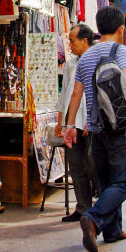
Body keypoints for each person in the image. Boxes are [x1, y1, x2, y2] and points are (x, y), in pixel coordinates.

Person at [64, 5, 126, 252]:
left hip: (94, 129)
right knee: (122, 183)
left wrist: (69, 125)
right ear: (120, 29)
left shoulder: (85, 57)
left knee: (107, 182)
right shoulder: (119, 50)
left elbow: (76, 93)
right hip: (117, 127)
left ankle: (113, 230)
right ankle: (94, 219)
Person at [55, 24, 98, 223]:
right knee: (76, 166)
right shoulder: (71, 64)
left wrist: (92, 119)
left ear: (85, 40)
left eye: (72, 40)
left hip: (89, 121)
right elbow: (65, 94)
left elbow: (97, 93)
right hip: (72, 123)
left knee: (92, 165)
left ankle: (101, 207)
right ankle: (83, 208)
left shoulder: (97, 60)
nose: (69, 45)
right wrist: (61, 120)